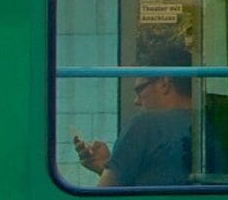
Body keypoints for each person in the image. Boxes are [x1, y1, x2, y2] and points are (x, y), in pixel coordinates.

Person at [74, 46, 203, 188]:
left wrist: (112, 171)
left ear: (164, 84)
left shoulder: (145, 125)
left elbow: (104, 196)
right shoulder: (213, 122)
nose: (136, 101)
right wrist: (109, 167)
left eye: (140, 89)